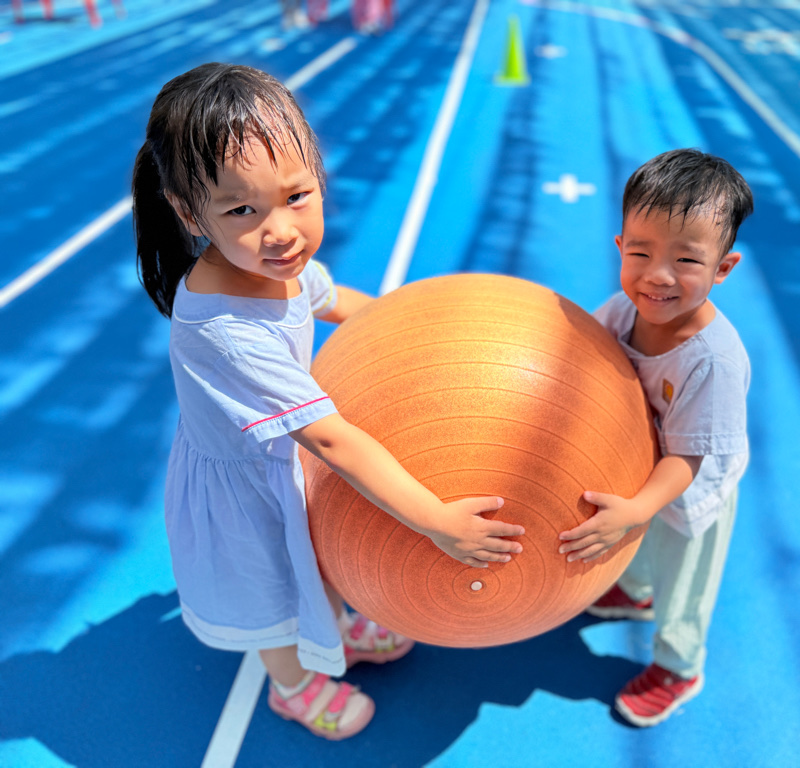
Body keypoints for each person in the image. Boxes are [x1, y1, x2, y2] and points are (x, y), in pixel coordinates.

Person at [132, 62, 524, 740]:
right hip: (245, 487)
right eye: (242, 210)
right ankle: (292, 686)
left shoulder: (272, 265)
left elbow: (340, 301)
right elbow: (331, 439)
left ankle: (337, 625)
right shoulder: (223, 329)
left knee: (317, 554)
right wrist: (436, 520)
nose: (280, 229)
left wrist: (423, 334)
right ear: (191, 213)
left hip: (278, 456)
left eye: (296, 195)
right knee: (273, 596)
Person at [558, 148, 753, 727]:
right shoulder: (625, 310)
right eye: (641, 253)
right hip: (646, 465)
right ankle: (637, 591)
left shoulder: (711, 361)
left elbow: (688, 460)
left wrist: (637, 508)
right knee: (641, 542)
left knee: (685, 580)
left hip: (692, 490)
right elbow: (587, 350)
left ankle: (678, 665)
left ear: (723, 268)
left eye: (686, 259)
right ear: (620, 247)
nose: (657, 276)